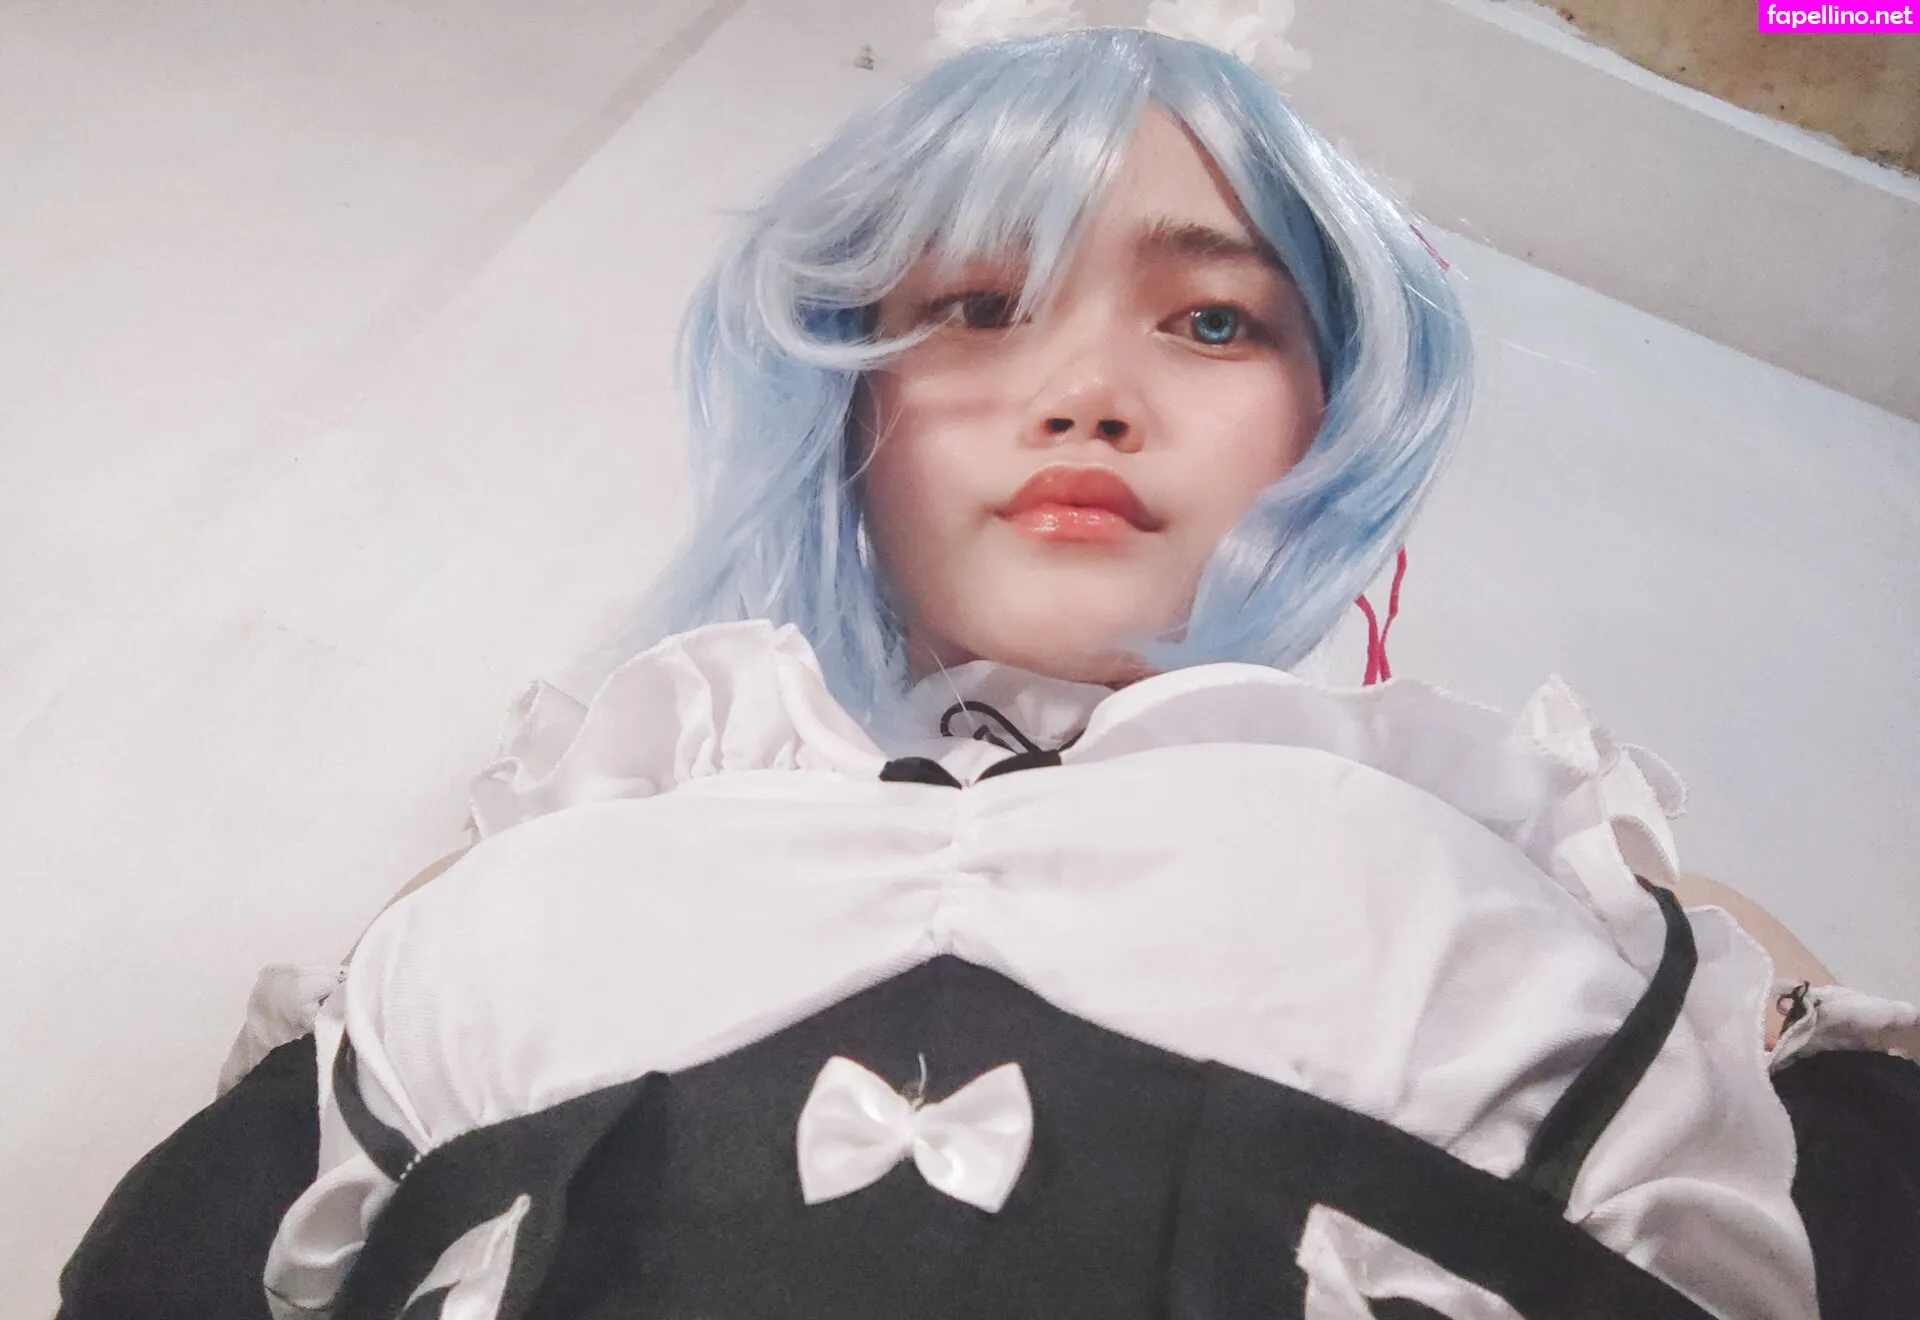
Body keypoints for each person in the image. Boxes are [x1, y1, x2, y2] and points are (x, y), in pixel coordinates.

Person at [57, 7, 1920, 1320]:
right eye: (976, 304)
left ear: (1325, 415)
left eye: (1212, 319)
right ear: (849, 402)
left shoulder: (1593, 886)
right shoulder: (562, 841)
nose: (1088, 390)